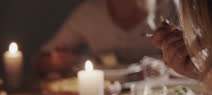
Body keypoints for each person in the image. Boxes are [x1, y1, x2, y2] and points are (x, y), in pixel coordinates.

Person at [36, 0, 178, 75]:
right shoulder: (90, 11)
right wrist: (57, 61)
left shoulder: (169, 6)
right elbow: (41, 61)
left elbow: (195, 58)